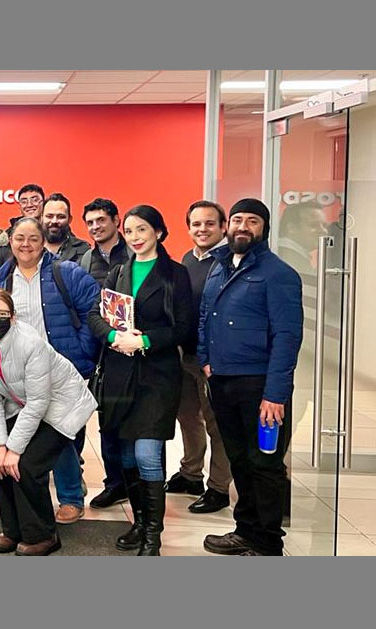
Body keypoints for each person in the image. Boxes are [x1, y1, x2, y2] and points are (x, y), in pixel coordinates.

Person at [88, 204, 194, 555]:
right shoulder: (117, 272)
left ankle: (153, 535)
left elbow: (182, 327)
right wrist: (113, 337)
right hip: (119, 376)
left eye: (142, 230)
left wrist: (144, 340)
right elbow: (95, 315)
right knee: (128, 457)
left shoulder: (175, 275)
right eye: (130, 231)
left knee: (148, 454)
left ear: (159, 233)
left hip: (157, 377)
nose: (134, 237)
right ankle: (138, 523)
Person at [199, 198, 303, 557]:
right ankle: (245, 530)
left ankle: (268, 542)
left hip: (260, 388)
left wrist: (275, 395)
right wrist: (206, 360)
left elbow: (288, 338)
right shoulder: (219, 267)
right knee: (240, 460)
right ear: (228, 225)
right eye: (238, 219)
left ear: (264, 228)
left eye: (252, 221)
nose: (243, 227)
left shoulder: (279, 274)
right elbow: (205, 317)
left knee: (265, 464)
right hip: (223, 382)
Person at [0, 289, 97, 555]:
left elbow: (40, 401)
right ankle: (13, 530)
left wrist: (14, 449)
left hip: (63, 405)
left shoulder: (30, 342)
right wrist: (1, 447)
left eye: (2, 314)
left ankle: (43, 535)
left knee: (26, 465)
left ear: (13, 318)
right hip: (22, 403)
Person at [0, 217, 100, 524]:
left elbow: (93, 311)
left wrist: (81, 352)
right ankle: (32, 499)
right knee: (29, 434)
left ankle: (70, 498)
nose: (26, 244)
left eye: (33, 238)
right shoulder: (1, 281)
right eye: (19, 238)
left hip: (61, 369)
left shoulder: (66, 272)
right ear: (10, 241)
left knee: (60, 432)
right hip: (21, 373)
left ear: (42, 242)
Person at [167, 200, 232, 514]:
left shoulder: (229, 263)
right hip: (184, 356)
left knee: (216, 424)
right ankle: (191, 473)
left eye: (209, 224)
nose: (202, 229)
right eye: (196, 224)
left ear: (223, 227)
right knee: (186, 416)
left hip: (212, 360)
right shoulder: (186, 260)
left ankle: (218, 487)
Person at [79, 197, 133, 510]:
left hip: (134, 348)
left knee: (133, 423)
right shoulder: (87, 259)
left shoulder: (134, 254)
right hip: (101, 351)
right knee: (107, 419)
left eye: (101, 220)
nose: (96, 227)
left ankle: (137, 482)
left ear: (116, 220)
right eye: (90, 223)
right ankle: (116, 483)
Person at [0, 183, 47, 260]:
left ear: (44, 203)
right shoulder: (7, 236)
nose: (29, 205)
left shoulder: (53, 231)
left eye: (35, 200)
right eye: (24, 202)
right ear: (19, 207)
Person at [42, 193, 90, 263]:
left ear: (70, 219)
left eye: (61, 217)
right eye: (49, 216)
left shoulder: (83, 250)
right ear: (41, 218)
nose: (54, 221)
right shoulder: (29, 248)